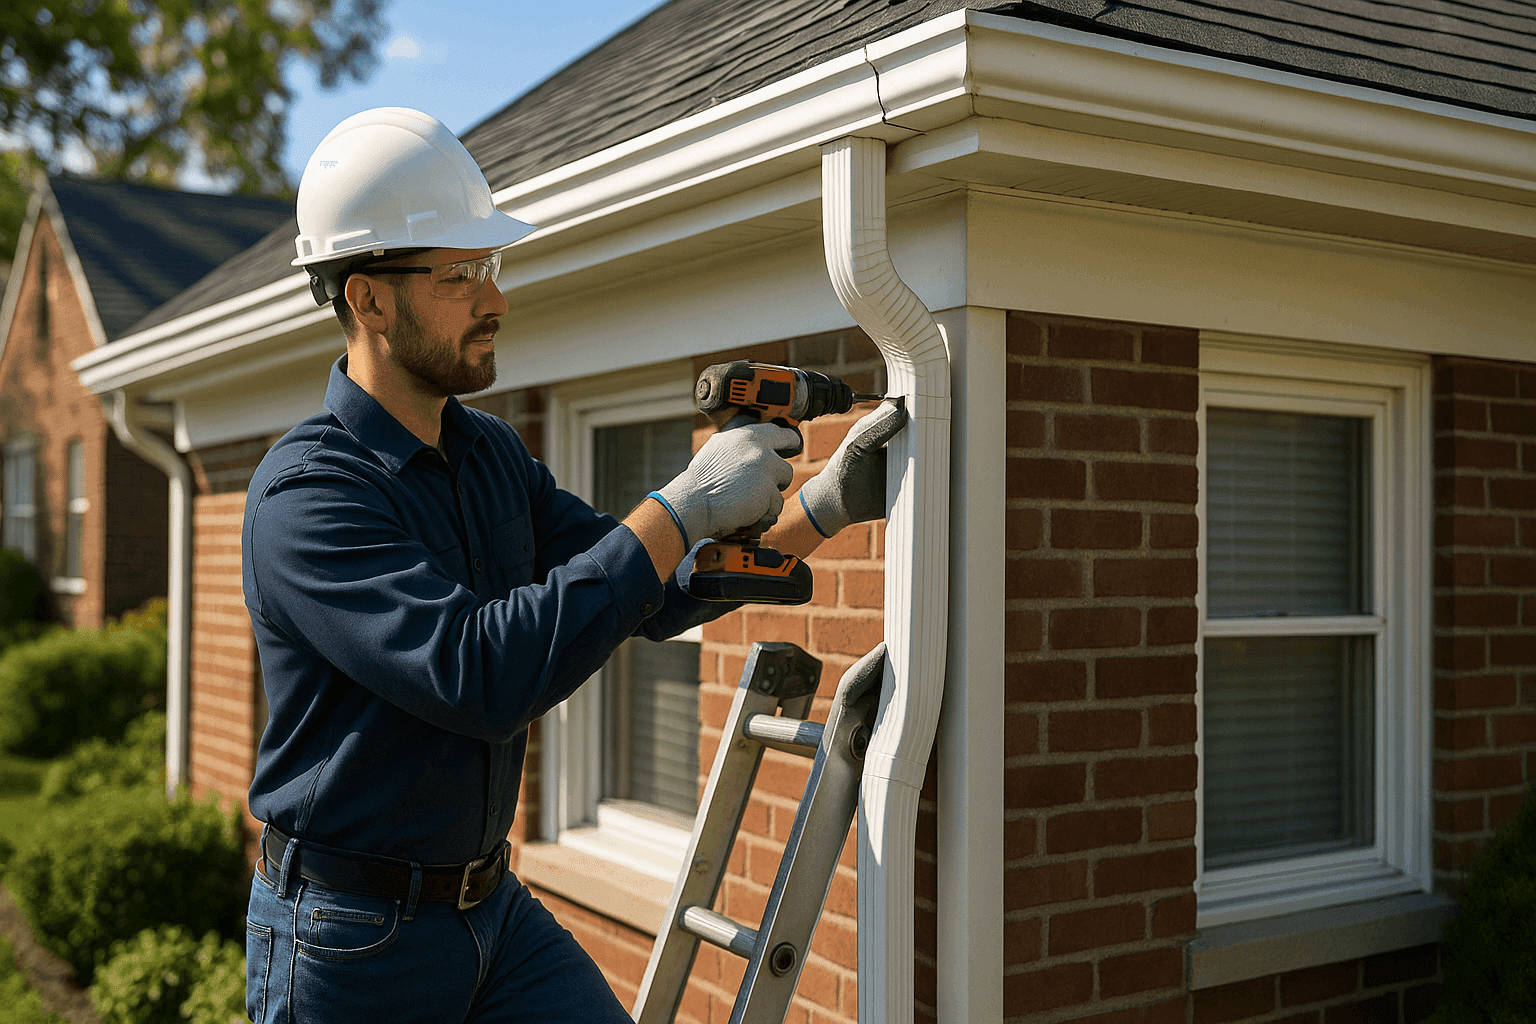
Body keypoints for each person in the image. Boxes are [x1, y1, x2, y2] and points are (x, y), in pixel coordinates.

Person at [241, 107, 906, 1023]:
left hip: (489, 913)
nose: (495, 300)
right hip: (351, 936)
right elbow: (481, 673)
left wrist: (822, 507)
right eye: (460, 273)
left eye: (491, 268)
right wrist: (680, 502)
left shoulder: (491, 457)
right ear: (368, 298)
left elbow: (646, 587)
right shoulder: (309, 498)